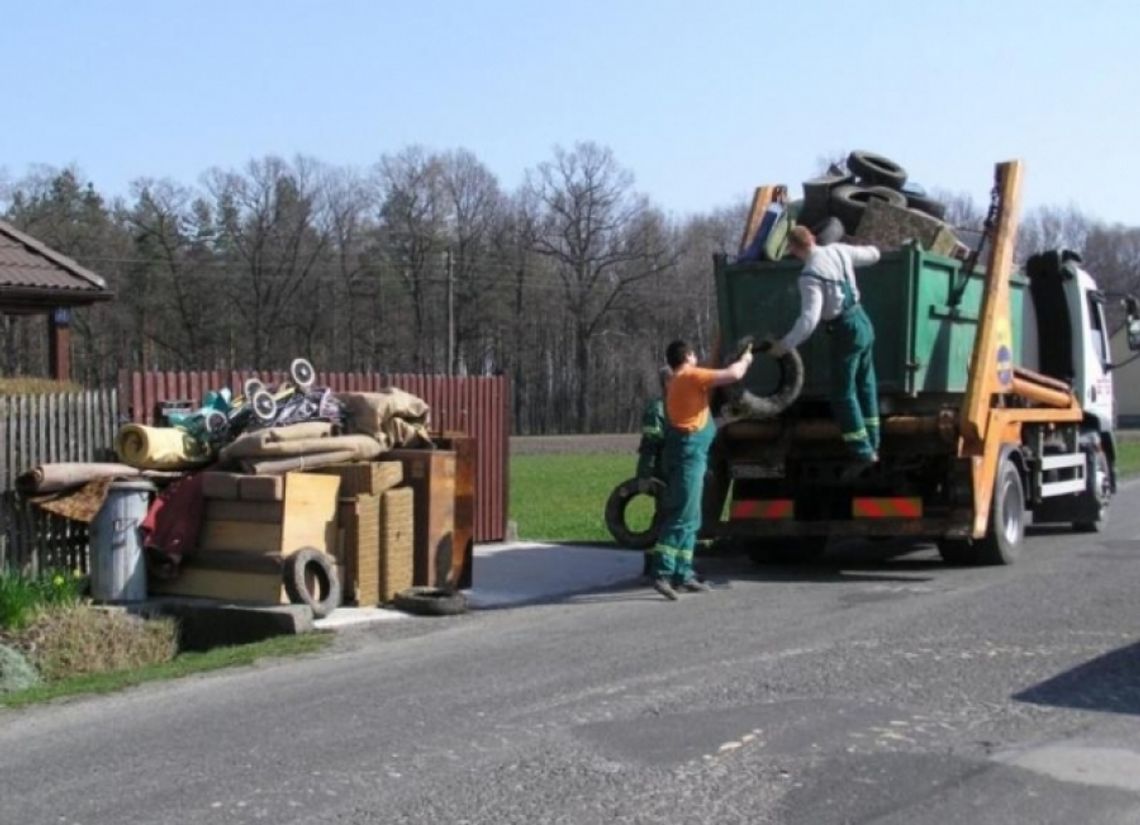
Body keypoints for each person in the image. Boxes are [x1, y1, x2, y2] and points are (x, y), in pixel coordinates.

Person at [768, 225, 881, 472]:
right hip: (863, 320)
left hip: (845, 330)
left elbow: (809, 320)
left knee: (843, 393)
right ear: (813, 239)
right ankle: (874, 441)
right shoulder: (838, 250)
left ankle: (862, 450)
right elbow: (874, 255)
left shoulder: (810, 275)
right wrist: (872, 245)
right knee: (866, 384)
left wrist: (784, 346)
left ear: (795, 248)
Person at [649, 339, 752, 601]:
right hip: (688, 455)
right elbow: (734, 374)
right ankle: (662, 571)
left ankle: (683, 573)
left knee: (693, 518)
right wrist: (747, 358)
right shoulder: (690, 375)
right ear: (689, 356)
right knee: (682, 516)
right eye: (695, 354)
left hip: (690, 453)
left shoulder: (679, 381)